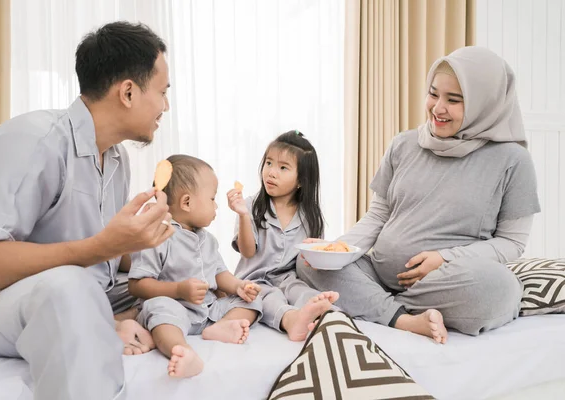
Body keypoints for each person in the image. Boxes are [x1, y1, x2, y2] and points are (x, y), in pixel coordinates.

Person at [0, 21, 175, 399]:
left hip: (90, 293)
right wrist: (104, 247)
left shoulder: (116, 159)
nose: (166, 106)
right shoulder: (29, 141)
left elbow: (104, 259)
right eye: (162, 92)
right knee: (69, 287)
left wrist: (144, 243)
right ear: (128, 91)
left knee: (188, 282)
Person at [297, 46, 540, 344]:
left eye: (454, 100)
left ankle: (374, 304)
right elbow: (378, 216)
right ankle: (402, 318)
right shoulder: (404, 144)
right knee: (307, 263)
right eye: (433, 93)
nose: (438, 108)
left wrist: (443, 259)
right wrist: (334, 250)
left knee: (500, 289)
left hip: (445, 282)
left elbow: (512, 242)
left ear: (485, 104)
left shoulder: (513, 160)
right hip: (378, 273)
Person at [129, 155, 263, 379]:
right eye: (212, 199)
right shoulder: (158, 235)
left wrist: (239, 286)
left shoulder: (207, 239)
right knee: (158, 309)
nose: (216, 205)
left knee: (256, 298)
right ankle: (181, 350)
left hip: (209, 312)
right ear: (187, 203)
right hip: (176, 309)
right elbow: (137, 285)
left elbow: (219, 273)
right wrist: (178, 290)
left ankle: (221, 327)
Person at [227, 131, 340, 342]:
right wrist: (242, 215)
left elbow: (309, 260)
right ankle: (290, 321)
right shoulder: (250, 206)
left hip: (289, 278)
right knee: (270, 297)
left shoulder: (311, 216)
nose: (271, 172)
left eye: (282, 168)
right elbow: (247, 251)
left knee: (302, 291)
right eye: (268, 163)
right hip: (254, 280)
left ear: (301, 181)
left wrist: (323, 251)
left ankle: (328, 315)